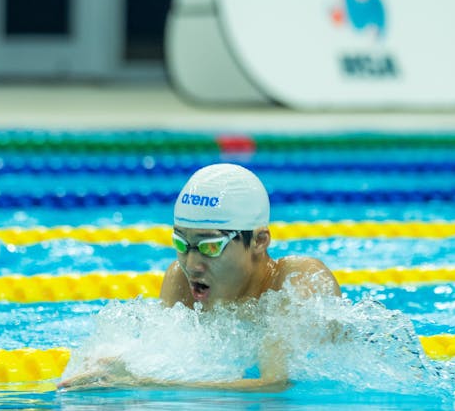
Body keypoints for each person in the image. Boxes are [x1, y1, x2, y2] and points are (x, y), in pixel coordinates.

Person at [57, 163, 341, 391]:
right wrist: (118, 364)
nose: (192, 265)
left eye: (210, 247)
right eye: (181, 244)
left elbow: (274, 384)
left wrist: (142, 383)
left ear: (259, 241)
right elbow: (171, 359)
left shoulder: (296, 281)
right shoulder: (180, 280)